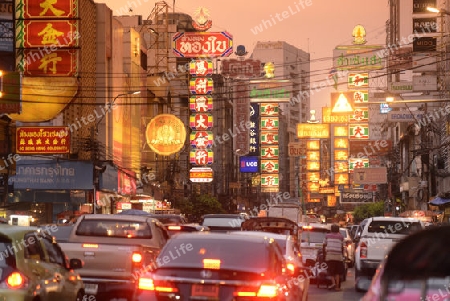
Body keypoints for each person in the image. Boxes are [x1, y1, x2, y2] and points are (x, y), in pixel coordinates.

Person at [323, 223, 345, 291]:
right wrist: (342, 255)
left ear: (331, 229)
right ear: (338, 230)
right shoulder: (341, 237)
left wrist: (325, 254)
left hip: (330, 256)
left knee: (331, 271)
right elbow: (342, 247)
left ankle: (333, 283)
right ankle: (337, 287)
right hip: (338, 257)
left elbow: (324, 245)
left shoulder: (327, 236)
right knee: (337, 272)